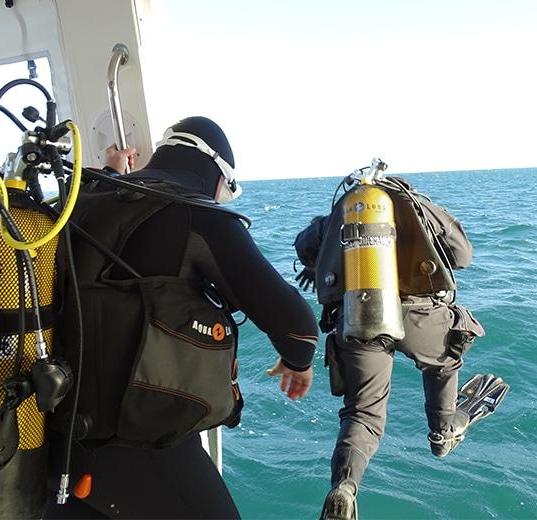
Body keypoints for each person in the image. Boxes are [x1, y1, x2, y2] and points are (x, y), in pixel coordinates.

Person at [46, 116, 318, 519]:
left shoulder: (84, 196)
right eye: (227, 190)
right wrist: (299, 361)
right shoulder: (196, 213)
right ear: (217, 173)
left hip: (51, 434)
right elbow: (295, 324)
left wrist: (113, 167)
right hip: (134, 440)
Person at [292, 162, 509, 520]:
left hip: (359, 314)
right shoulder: (418, 205)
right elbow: (462, 255)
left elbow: (303, 246)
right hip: (419, 316)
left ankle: (344, 487)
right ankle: (443, 432)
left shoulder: (345, 211)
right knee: (443, 362)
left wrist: (322, 250)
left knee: (362, 413)